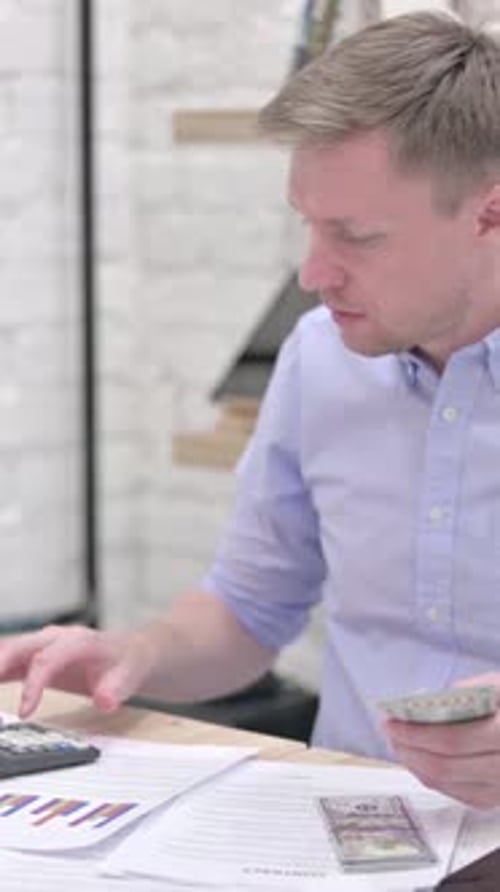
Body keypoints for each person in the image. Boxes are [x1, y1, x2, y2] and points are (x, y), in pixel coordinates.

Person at [2, 10, 500, 808]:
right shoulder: (319, 356)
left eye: (355, 235)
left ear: (490, 212)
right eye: (308, 225)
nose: (313, 273)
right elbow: (249, 608)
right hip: (346, 826)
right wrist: (138, 652)